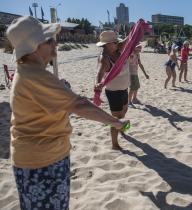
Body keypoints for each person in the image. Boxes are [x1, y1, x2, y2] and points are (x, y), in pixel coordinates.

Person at [6, 16, 129, 210]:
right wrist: (115, 122)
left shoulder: (27, 72)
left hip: (38, 157)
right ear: (34, 47)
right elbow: (80, 105)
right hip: (42, 160)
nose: (54, 42)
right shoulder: (36, 75)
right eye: (48, 40)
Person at [94, 30, 130, 150]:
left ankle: (121, 129)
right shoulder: (104, 58)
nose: (117, 43)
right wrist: (98, 83)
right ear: (108, 44)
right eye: (115, 42)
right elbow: (99, 72)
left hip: (124, 89)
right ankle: (115, 144)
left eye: (116, 41)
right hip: (114, 92)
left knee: (124, 111)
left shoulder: (117, 48)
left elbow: (127, 40)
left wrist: (137, 28)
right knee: (116, 119)